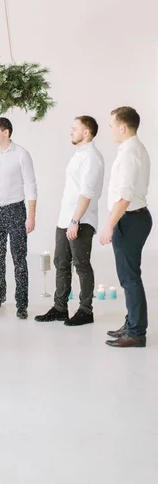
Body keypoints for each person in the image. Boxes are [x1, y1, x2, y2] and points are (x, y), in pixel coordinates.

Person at [35, 116, 104, 326]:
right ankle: (60, 308)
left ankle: (85, 311)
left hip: (80, 220)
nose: (71, 131)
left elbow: (87, 193)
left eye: (75, 128)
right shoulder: (79, 154)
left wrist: (75, 220)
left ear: (87, 132)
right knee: (61, 263)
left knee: (81, 264)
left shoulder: (91, 156)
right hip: (66, 219)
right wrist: (67, 220)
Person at [100, 107, 152, 348]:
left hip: (130, 220)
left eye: (112, 125)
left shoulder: (130, 152)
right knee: (128, 277)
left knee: (130, 278)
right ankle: (131, 323)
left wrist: (109, 225)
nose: (110, 129)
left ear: (122, 127)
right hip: (130, 219)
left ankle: (136, 332)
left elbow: (125, 197)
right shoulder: (131, 149)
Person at [0, 117, 37, 319]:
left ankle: (22, 304)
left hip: (16, 211)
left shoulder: (22, 155)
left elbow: (30, 186)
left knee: (19, 258)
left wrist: (31, 217)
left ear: (6, 132)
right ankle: (0, 295)